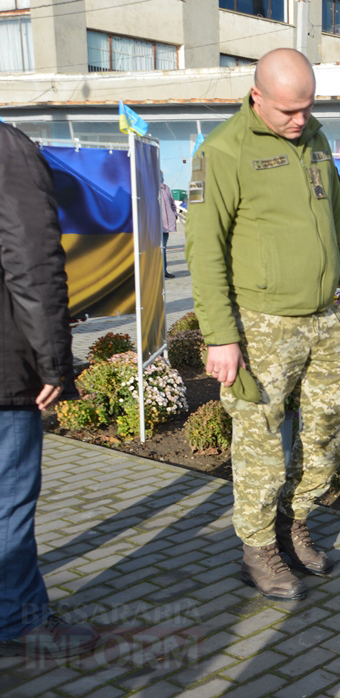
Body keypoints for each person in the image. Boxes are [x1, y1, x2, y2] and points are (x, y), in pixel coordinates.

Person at [185, 48, 340, 601]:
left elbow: (339, 223)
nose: (300, 120)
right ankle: (257, 547)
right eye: (288, 110)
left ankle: (292, 520)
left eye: (308, 107)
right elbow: (204, 252)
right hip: (260, 322)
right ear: (257, 96)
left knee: (330, 431)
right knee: (261, 441)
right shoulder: (222, 151)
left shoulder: (314, 140)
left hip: (322, 317)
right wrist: (220, 334)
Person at [0, 123, 99, 658]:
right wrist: (54, 363)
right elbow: (33, 265)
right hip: (5, 371)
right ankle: (17, 621)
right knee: (7, 504)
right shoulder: (7, 151)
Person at [160, 172, 178, 279]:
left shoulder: (166, 188)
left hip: (167, 225)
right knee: (156, 249)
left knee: (163, 248)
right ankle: (156, 270)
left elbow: (172, 203)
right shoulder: (150, 187)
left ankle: (164, 270)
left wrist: (174, 214)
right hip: (155, 225)